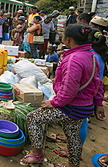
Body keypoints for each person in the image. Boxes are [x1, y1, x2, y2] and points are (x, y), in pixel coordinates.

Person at [20, 24, 106, 167]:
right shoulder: (91, 56)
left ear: (68, 40)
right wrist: (98, 103)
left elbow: (69, 91)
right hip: (83, 107)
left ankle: (36, 154)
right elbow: (96, 82)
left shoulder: (74, 60)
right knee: (73, 135)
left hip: (70, 107)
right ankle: (73, 165)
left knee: (33, 118)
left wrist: (53, 103)